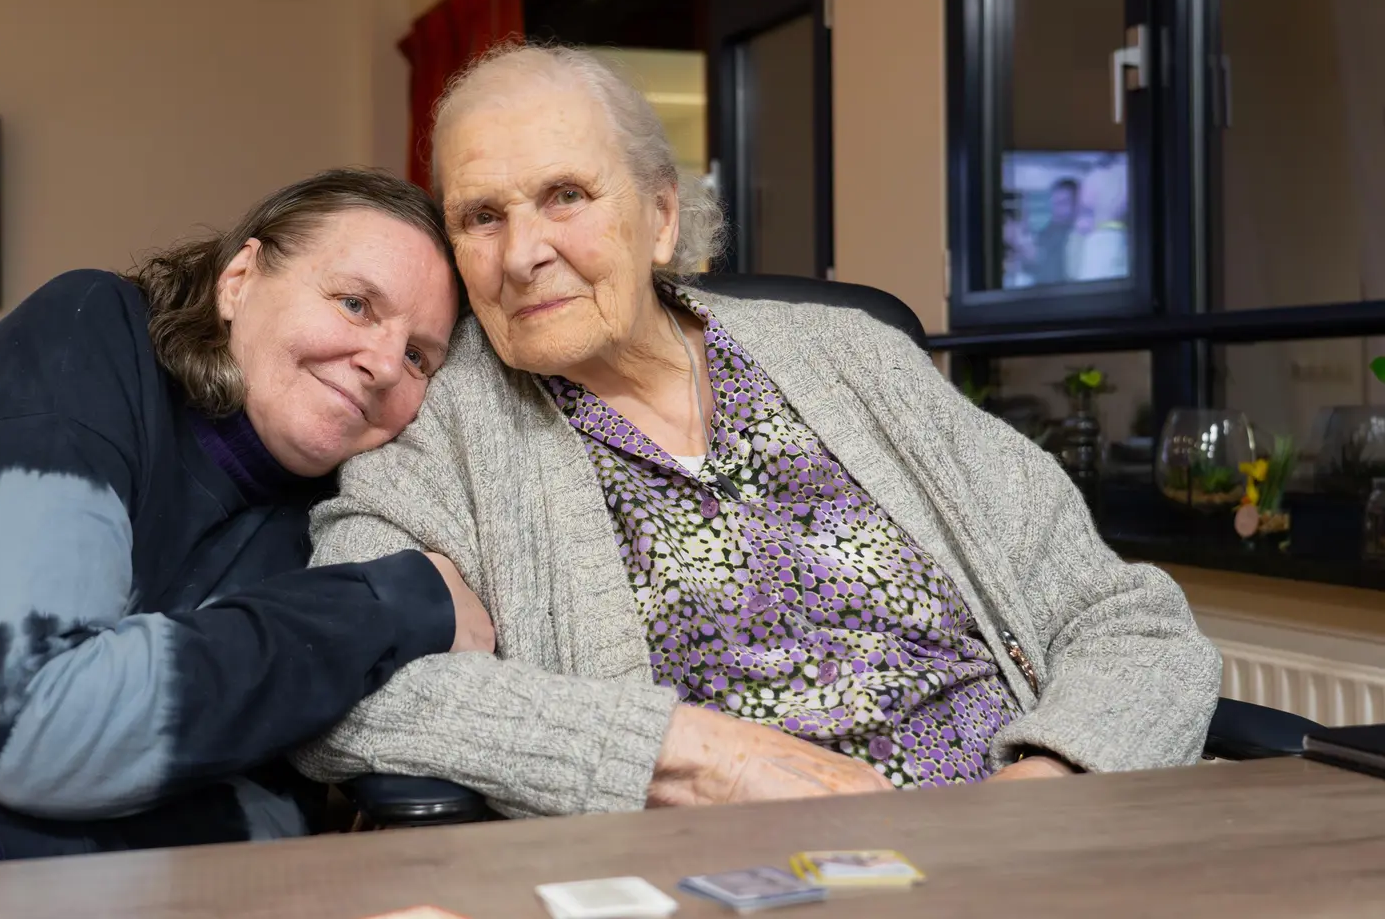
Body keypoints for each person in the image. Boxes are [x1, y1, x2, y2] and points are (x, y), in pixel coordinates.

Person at [292, 46, 1220, 816]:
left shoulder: (856, 359)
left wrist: (1044, 792)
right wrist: (687, 756)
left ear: (660, 217)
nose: (525, 253)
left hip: (1018, 844)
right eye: (481, 216)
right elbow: (329, 677)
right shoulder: (441, 426)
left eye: (566, 195)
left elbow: (1130, 619)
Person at [0, 169, 494, 860]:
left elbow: (280, 818)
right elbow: (27, 718)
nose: (381, 362)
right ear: (239, 279)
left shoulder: (344, 520)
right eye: (354, 302)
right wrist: (393, 604)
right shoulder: (90, 334)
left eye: (418, 356)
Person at [1031, 177, 1079, 284]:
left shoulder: (1083, 236)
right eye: (1055, 203)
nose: (1057, 210)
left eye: (1063, 203)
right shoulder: (1043, 234)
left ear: (1077, 204)